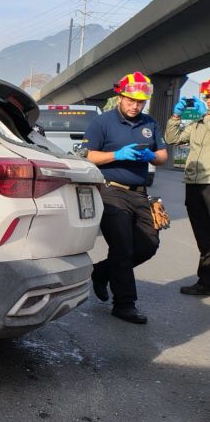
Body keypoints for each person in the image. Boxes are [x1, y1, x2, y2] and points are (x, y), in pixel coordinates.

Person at [83, 71, 168, 324]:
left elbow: (163, 155)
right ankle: (124, 304)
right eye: (131, 100)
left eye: (140, 102)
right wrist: (117, 155)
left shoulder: (150, 123)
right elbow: (89, 156)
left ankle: (101, 271)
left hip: (140, 194)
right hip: (111, 191)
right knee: (122, 247)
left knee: (148, 245)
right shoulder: (102, 122)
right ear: (120, 96)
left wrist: (150, 157)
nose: (135, 106)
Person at [164, 80, 210, 296]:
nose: (209, 101)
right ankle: (206, 281)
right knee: (203, 236)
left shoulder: (205, 121)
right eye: (208, 97)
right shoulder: (196, 125)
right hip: (193, 184)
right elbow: (171, 138)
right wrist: (176, 117)